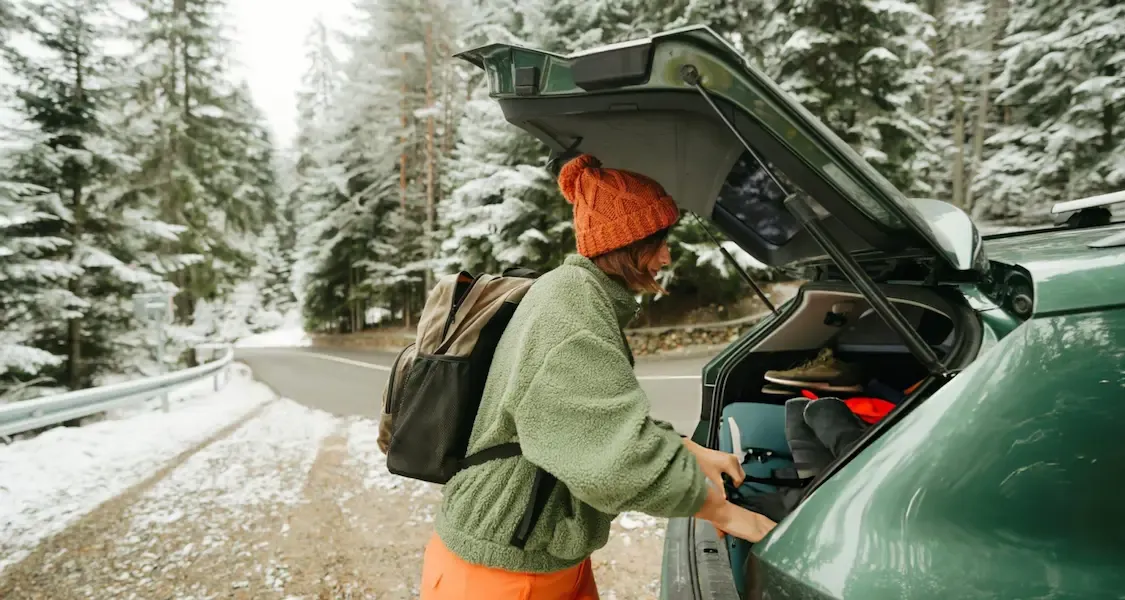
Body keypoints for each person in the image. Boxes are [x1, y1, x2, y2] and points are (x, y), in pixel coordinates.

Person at [421, 154, 777, 599]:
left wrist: (691, 451)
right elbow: (614, 460)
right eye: (658, 241)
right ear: (627, 242)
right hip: (498, 574)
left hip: (536, 551)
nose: (666, 256)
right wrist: (722, 512)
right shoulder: (570, 311)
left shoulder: (578, 295)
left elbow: (600, 413)